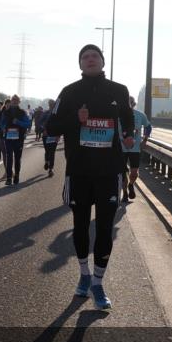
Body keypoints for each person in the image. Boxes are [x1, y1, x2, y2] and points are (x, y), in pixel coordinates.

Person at [44, 44, 134, 311]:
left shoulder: (119, 91)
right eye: (85, 56)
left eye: (95, 56)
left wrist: (129, 135)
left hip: (109, 172)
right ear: (80, 64)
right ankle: (83, 275)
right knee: (80, 226)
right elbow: (51, 127)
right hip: (80, 172)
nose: (90, 59)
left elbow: (128, 120)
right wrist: (76, 118)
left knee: (105, 229)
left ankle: (98, 281)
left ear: (102, 61)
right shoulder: (69, 92)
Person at [121, 96, 152, 202]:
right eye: (127, 103)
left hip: (135, 149)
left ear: (134, 104)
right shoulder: (118, 115)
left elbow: (148, 126)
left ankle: (131, 184)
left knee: (134, 172)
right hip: (121, 149)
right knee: (122, 172)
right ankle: (124, 193)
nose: (129, 105)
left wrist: (145, 140)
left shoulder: (140, 115)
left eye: (131, 103)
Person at [0, 95, 31, 186]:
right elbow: (2, 123)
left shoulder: (22, 112)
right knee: (9, 157)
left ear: (19, 102)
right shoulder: (6, 112)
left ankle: (16, 176)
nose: (14, 101)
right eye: (13, 99)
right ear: (11, 101)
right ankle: (9, 178)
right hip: (8, 138)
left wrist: (18, 122)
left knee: (17, 158)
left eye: (16, 100)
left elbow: (28, 124)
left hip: (19, 138)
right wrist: (4, 128)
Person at [41, 99, 59, 177]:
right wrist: (43, 130)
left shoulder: (58, 114)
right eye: (50, 104)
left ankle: (51, 169)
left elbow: (60, 125)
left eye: (52, 104)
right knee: (47, 151)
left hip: (54, 135)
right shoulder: (45, 113)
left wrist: (58, 135)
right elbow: (39, 122)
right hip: (46, 135)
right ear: (49, 105)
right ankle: (47, 161)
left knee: (52, 152)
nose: (51, 105)